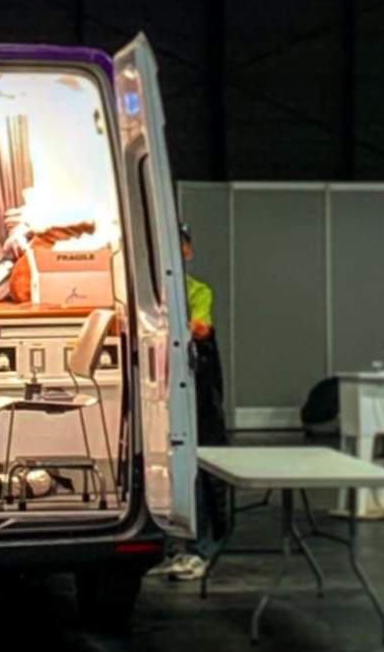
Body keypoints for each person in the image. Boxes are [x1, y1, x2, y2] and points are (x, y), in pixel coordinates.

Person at [150, 223, 229, 581]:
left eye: (180, 245)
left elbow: (200, 328)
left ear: (187, 251)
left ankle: (201, 548)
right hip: (159, 393)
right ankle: (172, 547)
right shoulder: (154, 292)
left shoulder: (198, 291)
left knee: (198, 467)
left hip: (196, 392)